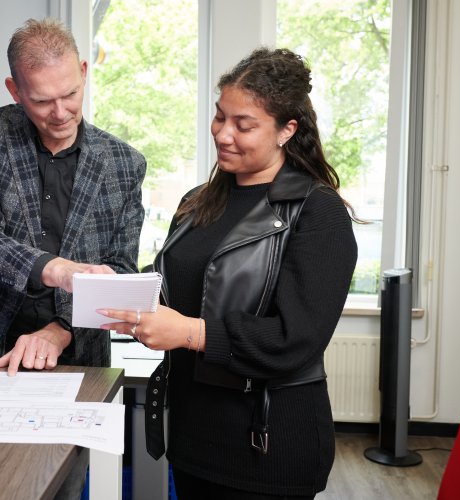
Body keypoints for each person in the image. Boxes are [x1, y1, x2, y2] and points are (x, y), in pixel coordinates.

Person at [99, 47, 358, 499]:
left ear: (286, 130)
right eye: (220, 117)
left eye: (244, 125)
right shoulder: (197, 201)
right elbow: (180, 285)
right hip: (193, 435)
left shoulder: (318, 212)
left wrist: (190, 333)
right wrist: (118, 286)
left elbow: (295, 339)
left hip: (267, 445)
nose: (223, 133)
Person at [0, 18, 145, 499]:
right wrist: (57, 269)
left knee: (56, 487)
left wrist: (60, 329)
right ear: (15, 90)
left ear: (83, 71)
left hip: (73, 360)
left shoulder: (125, 164)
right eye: (42, 101)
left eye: (70, 94)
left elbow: (122, 269)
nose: (61, 113)